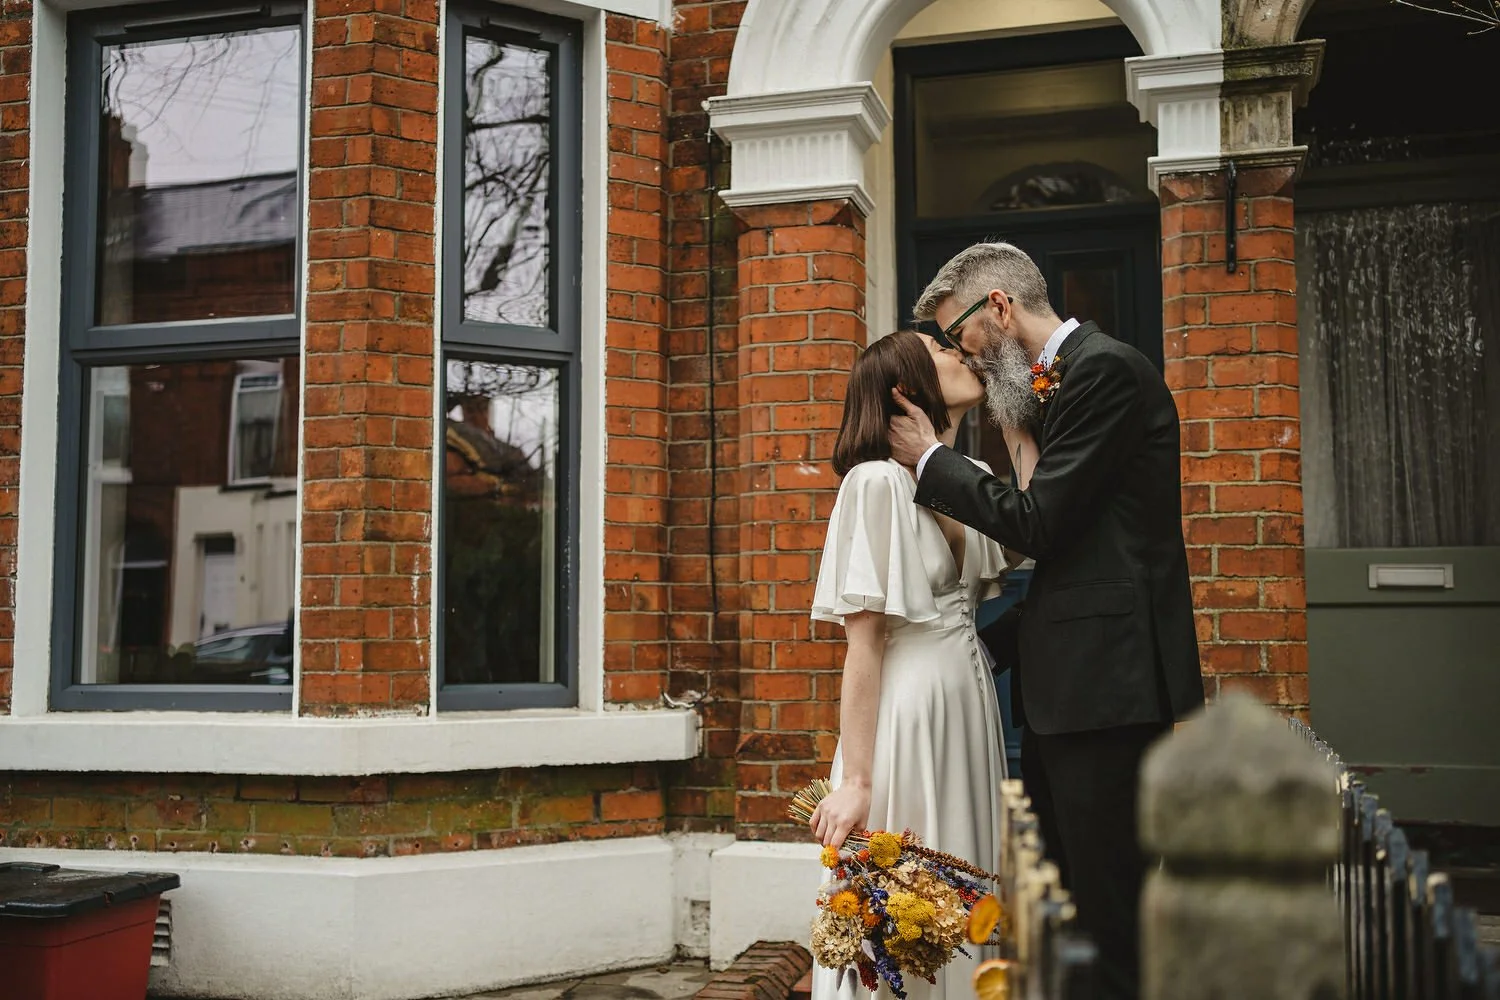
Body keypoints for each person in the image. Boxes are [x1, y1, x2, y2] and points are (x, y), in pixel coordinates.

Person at [887, 242, 1204, 1000]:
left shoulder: (1105, 371)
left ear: (997, 306)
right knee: (1064, 904)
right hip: (1073, 691)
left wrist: (930, 459)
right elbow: (1071, 555)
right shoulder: (1054, 386)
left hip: (1110, 690)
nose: (961, 351)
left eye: (958, 333)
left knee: (1108, 911)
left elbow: (1041, 525)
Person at [807, 330, 1036, 1000]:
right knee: (906, 897)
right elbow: (864, 642)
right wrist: (857, 780)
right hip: (906, 715)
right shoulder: (876, 482)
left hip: (967, 705)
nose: (959, 353)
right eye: (939, 349)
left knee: (965, 883)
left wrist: (1015, 413)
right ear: (907, 388)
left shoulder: (964, 476)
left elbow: (1030, 530)